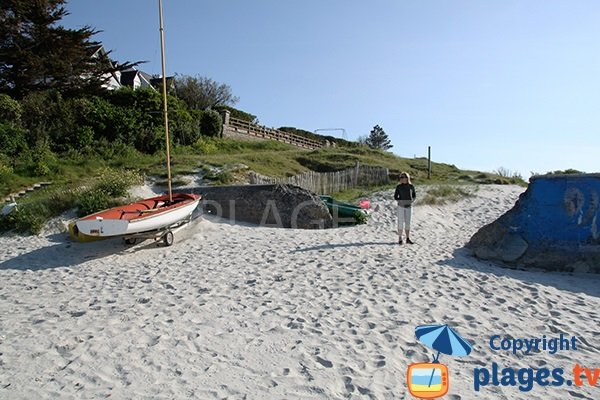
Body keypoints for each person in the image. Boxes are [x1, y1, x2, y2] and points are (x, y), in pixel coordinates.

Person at [394, 172, 416, 244]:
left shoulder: (411, 186)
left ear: (407, 178)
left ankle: (407, 238)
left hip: (408, 206)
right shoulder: (399, 187)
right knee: (400, 221)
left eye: (404, 177)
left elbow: (414, 195)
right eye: (401, 177)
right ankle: (400, 238)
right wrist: (400, 201)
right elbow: (395, 196)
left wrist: (411, 201)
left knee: (408, 222)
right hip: (401, 206)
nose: (403, 179)